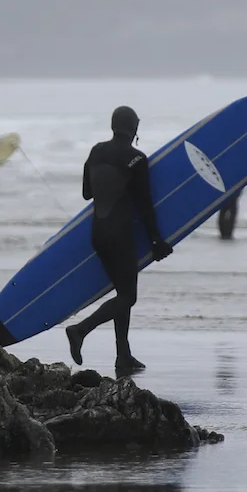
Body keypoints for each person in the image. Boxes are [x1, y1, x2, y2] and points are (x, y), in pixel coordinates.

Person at [65, 105, 173, 374]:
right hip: (121, 234)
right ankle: (80, 329)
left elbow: (87, 193)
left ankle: (123, 355)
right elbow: (145, 203)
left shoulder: (96, 151)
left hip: (98, 233)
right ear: (134, 127)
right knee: (127, 297)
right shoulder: (136, 158)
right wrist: (156, 240)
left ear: (113, 125)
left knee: (121, 293)